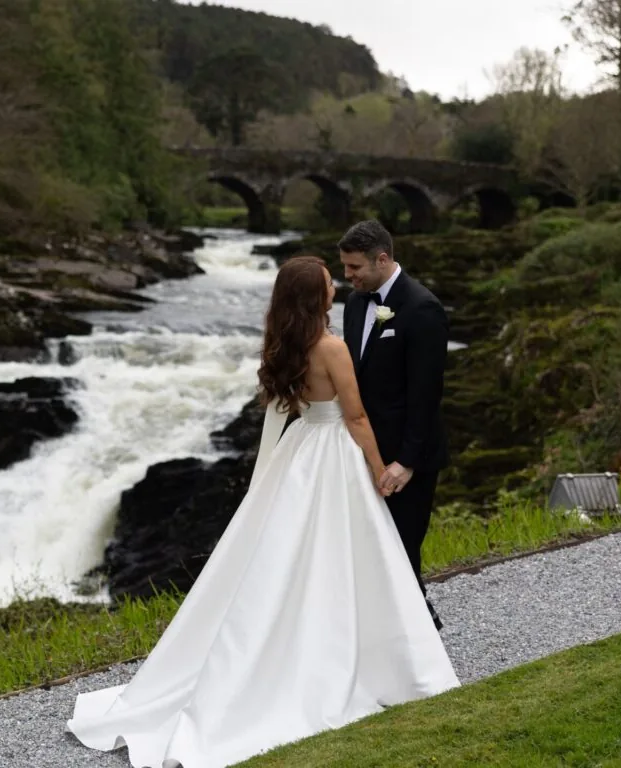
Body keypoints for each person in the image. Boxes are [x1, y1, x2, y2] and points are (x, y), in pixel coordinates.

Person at [66, 255, 459, 768]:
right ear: (315, 299)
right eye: (327, 286)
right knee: (348, 551)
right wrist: (382, 466)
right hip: (335, 452)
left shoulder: (283, 346)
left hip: (301, 450)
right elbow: (356, 416)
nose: (336, 290)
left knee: (292, 548)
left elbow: (290, 408)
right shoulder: (332, 347)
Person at [338, 220, 450, 630]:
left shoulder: (423, 308)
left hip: (409, 458)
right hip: (366, 449)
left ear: (382, 259)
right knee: (372, 548)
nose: (347, 276)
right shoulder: (354, 303)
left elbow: (426, 394)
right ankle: (400, 631)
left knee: (402, 548)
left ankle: (419, 633)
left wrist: (406, 461)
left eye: (354, 268)